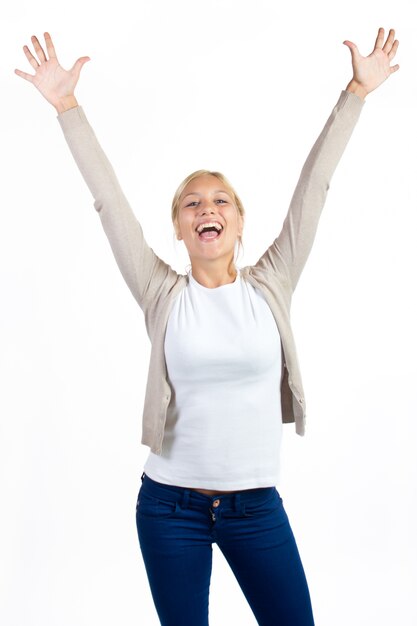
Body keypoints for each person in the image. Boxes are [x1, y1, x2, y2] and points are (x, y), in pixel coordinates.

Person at [15, 27, 399, 626]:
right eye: (192, 203)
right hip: (169, 509)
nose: (207, 209)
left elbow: (314, 189)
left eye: (221, 201)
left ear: (240, 222)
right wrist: (67, 107)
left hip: (256, 509)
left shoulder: (272, 282)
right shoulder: (160, 291)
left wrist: (356, 92)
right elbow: (110, 203)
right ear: (179, 226)